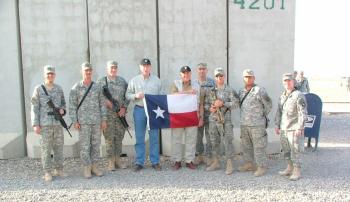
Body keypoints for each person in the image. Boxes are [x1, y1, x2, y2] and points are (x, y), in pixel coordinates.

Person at [69, 62, 107, 178]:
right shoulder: (76, 88)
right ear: (81, 72)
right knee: (85, 146)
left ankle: (94, 167)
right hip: (83, 122)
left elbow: (102, 104)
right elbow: (72, 106)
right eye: (86, 70)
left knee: (96, 145)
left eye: (90, 70)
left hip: (96, 121)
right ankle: (86, 168)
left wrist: (104, 119)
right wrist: (75, 121)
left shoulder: (97, 87)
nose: (88, 72)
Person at [31, 65, 67, 182]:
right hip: (45, 124)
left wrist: (62, 110)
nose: (50, 75)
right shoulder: (38, 89)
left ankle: (59, 169)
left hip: (57, 124)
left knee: (58, 147)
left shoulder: (59, 88)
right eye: (48, 74)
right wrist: (35, 124)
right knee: (46, 149)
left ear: (55, 75)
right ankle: (47, 172)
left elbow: (63, 104)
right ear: (44, 75)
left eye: (52, 74)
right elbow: (34, 107)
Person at [126, 58, 162, 171]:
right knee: (140, 137)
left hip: (153, 111)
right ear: (140, 67)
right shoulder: (134, 80)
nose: (145, 68)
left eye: (147, 66)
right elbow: (127, 95)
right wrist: (136, 96)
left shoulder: (157, 80)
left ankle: (155, 161)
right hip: (139, 110)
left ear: (150, 67)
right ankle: (139, 162)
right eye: (143, 66)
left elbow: (161, 96)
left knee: (154, 136)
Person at [238, 69, 272, 177]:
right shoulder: (241, 91)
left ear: (254, 78)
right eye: (246, 77)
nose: (248, 79)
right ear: (243, 78)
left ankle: (261, 166)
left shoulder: (259, 90)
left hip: (257, 124)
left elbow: (268, 105)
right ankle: (249, 164)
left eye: (250, 77)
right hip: (244, 124)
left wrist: (260, 116)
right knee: (246, 146)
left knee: (259, 146)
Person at [205, 68, 239, 175]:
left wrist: (223, 104)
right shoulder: (211, 90)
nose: (219, 78)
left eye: (221, 76)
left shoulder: (229, 90)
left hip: (225, 121)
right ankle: (216, 161)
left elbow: (236, 103)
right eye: (217, 76)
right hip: (213, 120)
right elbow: (205, 104)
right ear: (215, 78)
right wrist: (209, 108)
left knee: (227, 141)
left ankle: (229, 163)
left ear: (224, 76)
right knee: (214, 142)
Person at [97, 60, 129, 171]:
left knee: (119, 138)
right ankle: (110, 161)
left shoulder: (122, 81)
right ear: (107, 69)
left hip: (120, 115)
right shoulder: (101, 82)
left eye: (115, 68)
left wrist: (124, 108)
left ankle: (118, 160)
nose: (113, 69)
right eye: (111, 68)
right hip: (107, 116)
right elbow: (97, 97)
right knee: (109, 138)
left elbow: (127, 96)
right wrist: (106, 102)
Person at [275, 73, 307, 181]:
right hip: (284, 128)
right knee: (286, 150)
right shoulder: (282, 95)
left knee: (295, 150)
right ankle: (289, 167)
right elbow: (279, 112)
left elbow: (303, 113)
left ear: (294, 82)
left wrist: (300, 127)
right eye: (285, 81)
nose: (287, 83)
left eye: (289, 80)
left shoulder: (298, 95)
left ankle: (297, 170)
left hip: (294, 128)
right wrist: (277, 125)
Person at [170, 66, 204, 170]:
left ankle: (189, 161)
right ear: (181, 74)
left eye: (188, 73)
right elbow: (173, 96)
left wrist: (201, 117)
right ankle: (177, 161)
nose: (186, 75)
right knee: (176, 139)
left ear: (191, 74)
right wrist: (188, 92)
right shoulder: (175, 84)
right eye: (184, 73)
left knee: (191, 139)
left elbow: (201, 102)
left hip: (192, 115)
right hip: (178, 116)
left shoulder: (197, 85)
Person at [193, 63, 215, 166]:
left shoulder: (212, 83)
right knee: (198, 135)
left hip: (210, 113)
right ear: (197, 71)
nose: (202, 71)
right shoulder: (193, 83)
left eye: (204, 69)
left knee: (209, 135)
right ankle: (199, 155)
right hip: (197, 113)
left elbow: (216, 95)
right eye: (200, 69)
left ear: (207, 70)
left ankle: (209, 156)